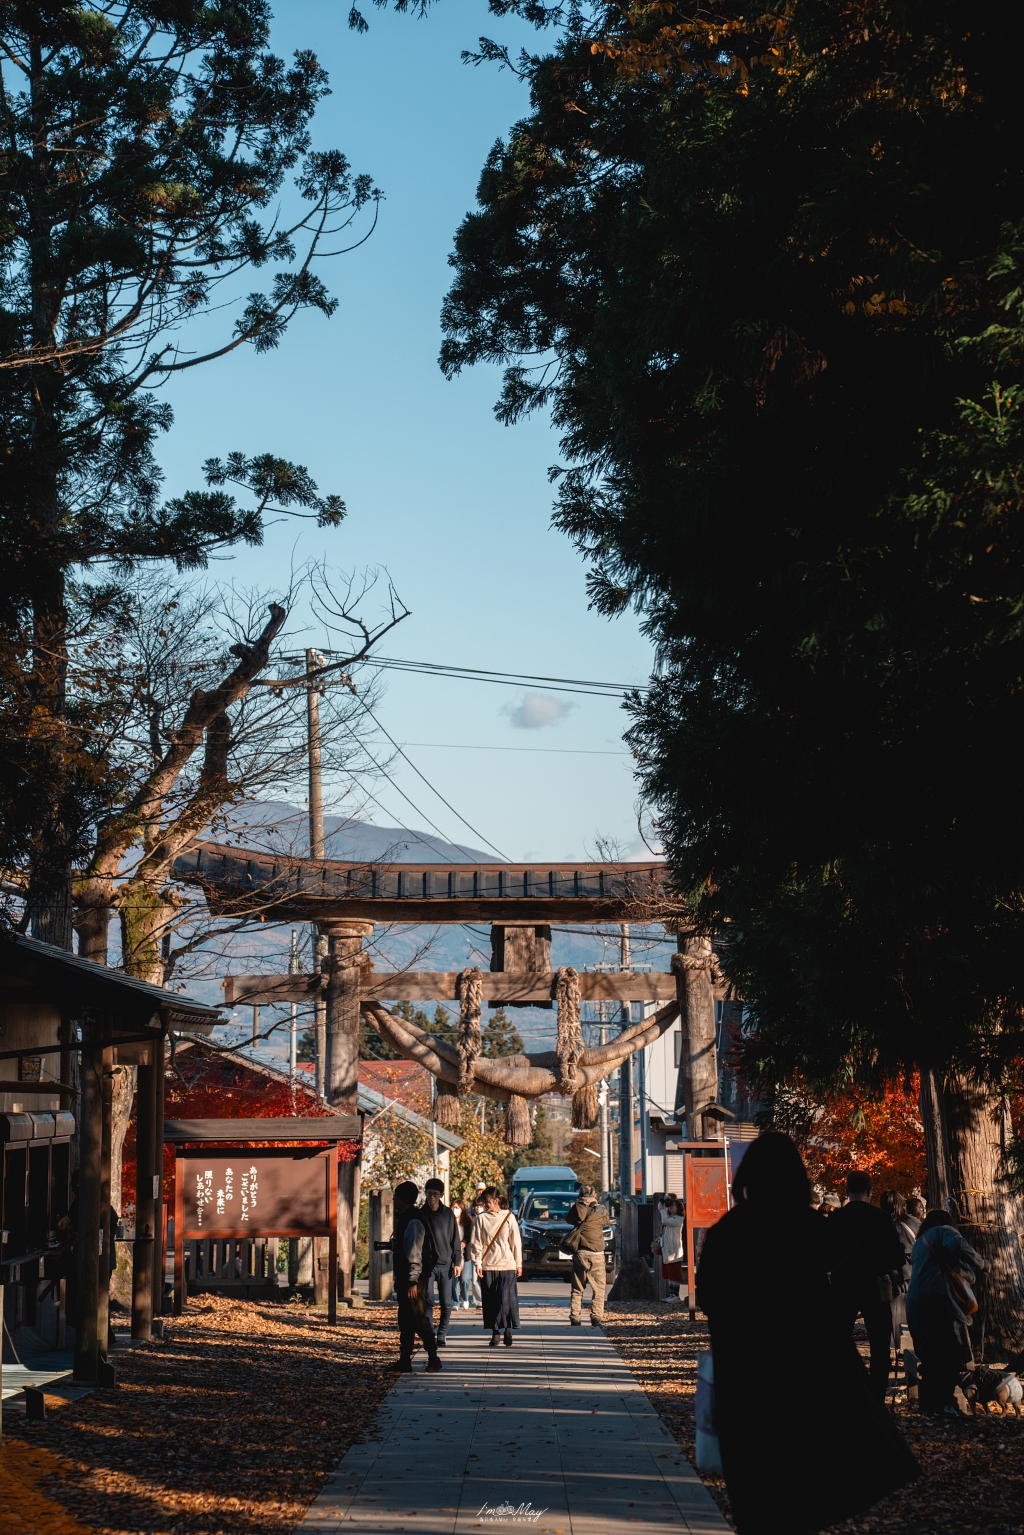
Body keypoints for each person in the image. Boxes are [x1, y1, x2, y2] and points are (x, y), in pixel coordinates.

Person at [696, 1132, 918, 1535]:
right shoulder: (808, 1226)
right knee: (804, 1483)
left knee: (755, 1486)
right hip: (805, 1372)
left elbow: (709, 1296)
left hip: (744, 1372)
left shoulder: (728, 1231)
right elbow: (838, 1251)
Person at [827, 1170, 907, 1403]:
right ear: (870, 1191)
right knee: (880, 1346)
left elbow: (826, 1255)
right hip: (875, 1286)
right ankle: (876, 1398)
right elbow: (897, 1257)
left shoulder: (836, 1218)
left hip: (843, 1285)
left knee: (838, 1343)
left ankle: (841, 1394)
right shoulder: (881, 1218)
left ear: (846, 1190)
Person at [906, 1209, 987, 1417]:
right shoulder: (943, 1231)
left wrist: (969, 1272)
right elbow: (958, 1245)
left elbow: (953, 1266)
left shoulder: (919, 1243)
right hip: (938, 1301)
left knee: (930, 1355)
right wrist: (981, 1264)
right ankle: (945, 1405)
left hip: (914, 1303)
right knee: (950, 1353)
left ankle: (930, 1406)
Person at [389, 1181, 442, 1373]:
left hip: (415, 1280)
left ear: (403, 1199)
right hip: (408, 1278)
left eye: (396, 1196)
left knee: (418, 1317)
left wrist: (412, 1280)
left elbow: (414, 1254)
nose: (393, 1199)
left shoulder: (413, 1222)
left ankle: (433, 1357)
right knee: (405, 1319)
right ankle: (404, 1360)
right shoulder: (407, 1218)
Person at [468, 1184, 522, 1348]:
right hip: (488, 1265)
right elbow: (476, 1243)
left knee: (506, 1300)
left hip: (507, 1264)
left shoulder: (509, 1217)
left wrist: (518, 1264)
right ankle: (495, 1331)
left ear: (496, 1200)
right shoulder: (481, 1219)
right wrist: (477, 1263)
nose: (485, 1205)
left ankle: (508, 1329)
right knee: (491, 1300)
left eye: (488, 1202)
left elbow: (515, 1242)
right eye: (483, 1202)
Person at [419, 1177, 463, 1346]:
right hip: (427, 1265)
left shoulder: (448, 1214)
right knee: (428, 1301)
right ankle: (429, 1333)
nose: (432, 1197)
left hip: (446, 1265)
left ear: (441, 1195)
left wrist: (457, 1261)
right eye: (429, 1193)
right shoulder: (421, 1214)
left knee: (447, 1303)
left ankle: (442, 1332)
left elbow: (455, 1239)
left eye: (435, 1194)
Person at [567, 1182, 609, 1327]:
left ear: (580, 1195)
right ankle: (596, 1317)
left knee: (577, 1287)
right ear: (595, 1195)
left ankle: (575, 1317)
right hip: (597, 1253)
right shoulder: (601, 1210)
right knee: (599, 1288)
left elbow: (568, 1219)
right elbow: (605, 1222)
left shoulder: (576, 1208)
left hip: (580, 1252)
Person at [653, 1194, 685, 1299]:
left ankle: (676, 1295)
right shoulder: (670, 1217)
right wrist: (663, 1201)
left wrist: (663, 1210)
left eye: (673, 1205)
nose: (670, 1207)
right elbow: (660, 1208)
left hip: (674, 1250)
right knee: (669, 1274)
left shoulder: (678, 1219)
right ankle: (671, 1294)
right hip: (667, 1249)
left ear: (679, 1208)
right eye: (670, 1205)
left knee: (675, 1274)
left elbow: (664, 1220)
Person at [451, 1197, 476, 1309]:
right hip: (452, 1254)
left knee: (465, 1279)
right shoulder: (448, 1221)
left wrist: (465, 1242)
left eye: (456, 1207)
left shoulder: (468, 1221)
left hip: (465, 1254)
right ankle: (455, 1302)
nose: (454, 1209)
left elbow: (471, 1235)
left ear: (461, 1209)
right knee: (453, 1279)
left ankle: (465, 1297)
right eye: (453, 1207)